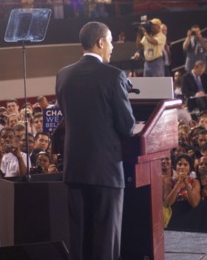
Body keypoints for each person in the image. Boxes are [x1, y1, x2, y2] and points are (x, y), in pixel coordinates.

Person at [56, 21, 135, 260]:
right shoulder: (114, 76)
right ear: (100, 42)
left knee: (79, 240)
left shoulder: (63, 74)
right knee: (105, 240)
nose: (112, 47)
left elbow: (67, 116)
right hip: (106, 171)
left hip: (75, 170)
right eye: (110, 41)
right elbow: (127, 125)